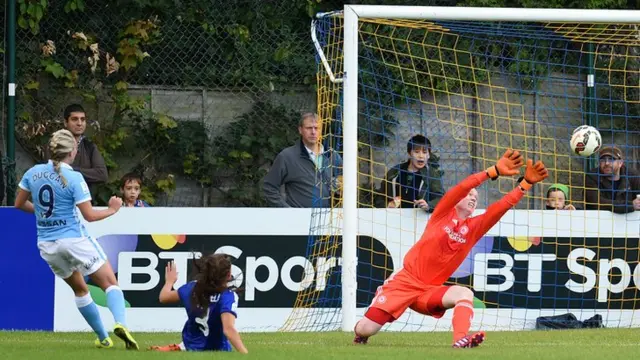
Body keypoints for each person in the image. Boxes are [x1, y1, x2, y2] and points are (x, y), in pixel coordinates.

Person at [353, 149, 548, 349]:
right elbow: (464, 185)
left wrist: (525, 184)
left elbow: (500, 207)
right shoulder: (443, 212)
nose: (473, 198)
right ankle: (372, 313)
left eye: (476, 197)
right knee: (364, 330)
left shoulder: (473, 228)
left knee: (464, 293)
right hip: (405, 282)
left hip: (428, 292)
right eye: (470, 195)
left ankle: (460, 340)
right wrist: (493, 171)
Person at [14, 129, 138, 350]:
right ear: (72, 152)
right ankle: (121, 323)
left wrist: (45, 215)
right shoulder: (74, 177)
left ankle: (103, 338)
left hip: (47, 245)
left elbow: (19, 204)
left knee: (80, 290)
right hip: (73, 239)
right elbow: (89, 215)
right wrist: (112, 209)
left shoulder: (32, 173)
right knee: (110, 283)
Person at [149, 254, 248, 354]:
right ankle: (179, 347)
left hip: (191, 346)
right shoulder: (228, 296)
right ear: (228, 275)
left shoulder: (191, 288)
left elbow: (163, 297)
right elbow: (228, 329)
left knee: (197, 338)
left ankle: (179, 347)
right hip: (219, 349)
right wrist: (245, 354)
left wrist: (169, 281)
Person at [262, 112, 342, 208]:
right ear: (300, 130)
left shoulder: (332, 155)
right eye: (309, 128)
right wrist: (287, 211)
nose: (313, 132)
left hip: (326, 219)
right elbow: (269, 187)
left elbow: (344, 183)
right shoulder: (287, 157)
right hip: (298, 218)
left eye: (316, 128)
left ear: (321, 131)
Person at [383, 135, 445, 211]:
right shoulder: (395, 171)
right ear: (409, 153)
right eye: (417, 152)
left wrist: (429, 205)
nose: (421, 156)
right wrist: (387, 204)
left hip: (420, 218)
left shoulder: (432, 174)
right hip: (395, 218)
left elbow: (441, 197)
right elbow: (379, 196)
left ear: (428, 155)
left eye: (425, 152)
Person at [62, 104, 108, 202]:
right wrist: (87, 173)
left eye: (82, 119)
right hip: (60, 204)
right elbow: (53, 172)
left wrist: (70, 171)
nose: (79, 123)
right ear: (65, 122)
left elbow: (102, 174)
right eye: (75, 119)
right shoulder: (56, 145)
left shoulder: (89, 146)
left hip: (85, 204)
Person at [584, 145, 640, 213]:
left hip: (627, 221)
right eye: (603, 160)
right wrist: (630, 205)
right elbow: (596, 203)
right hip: (599, 220)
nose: (606, 163)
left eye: (611, 159)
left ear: (620, 163)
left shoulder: (633, 176)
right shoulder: (592, 176)